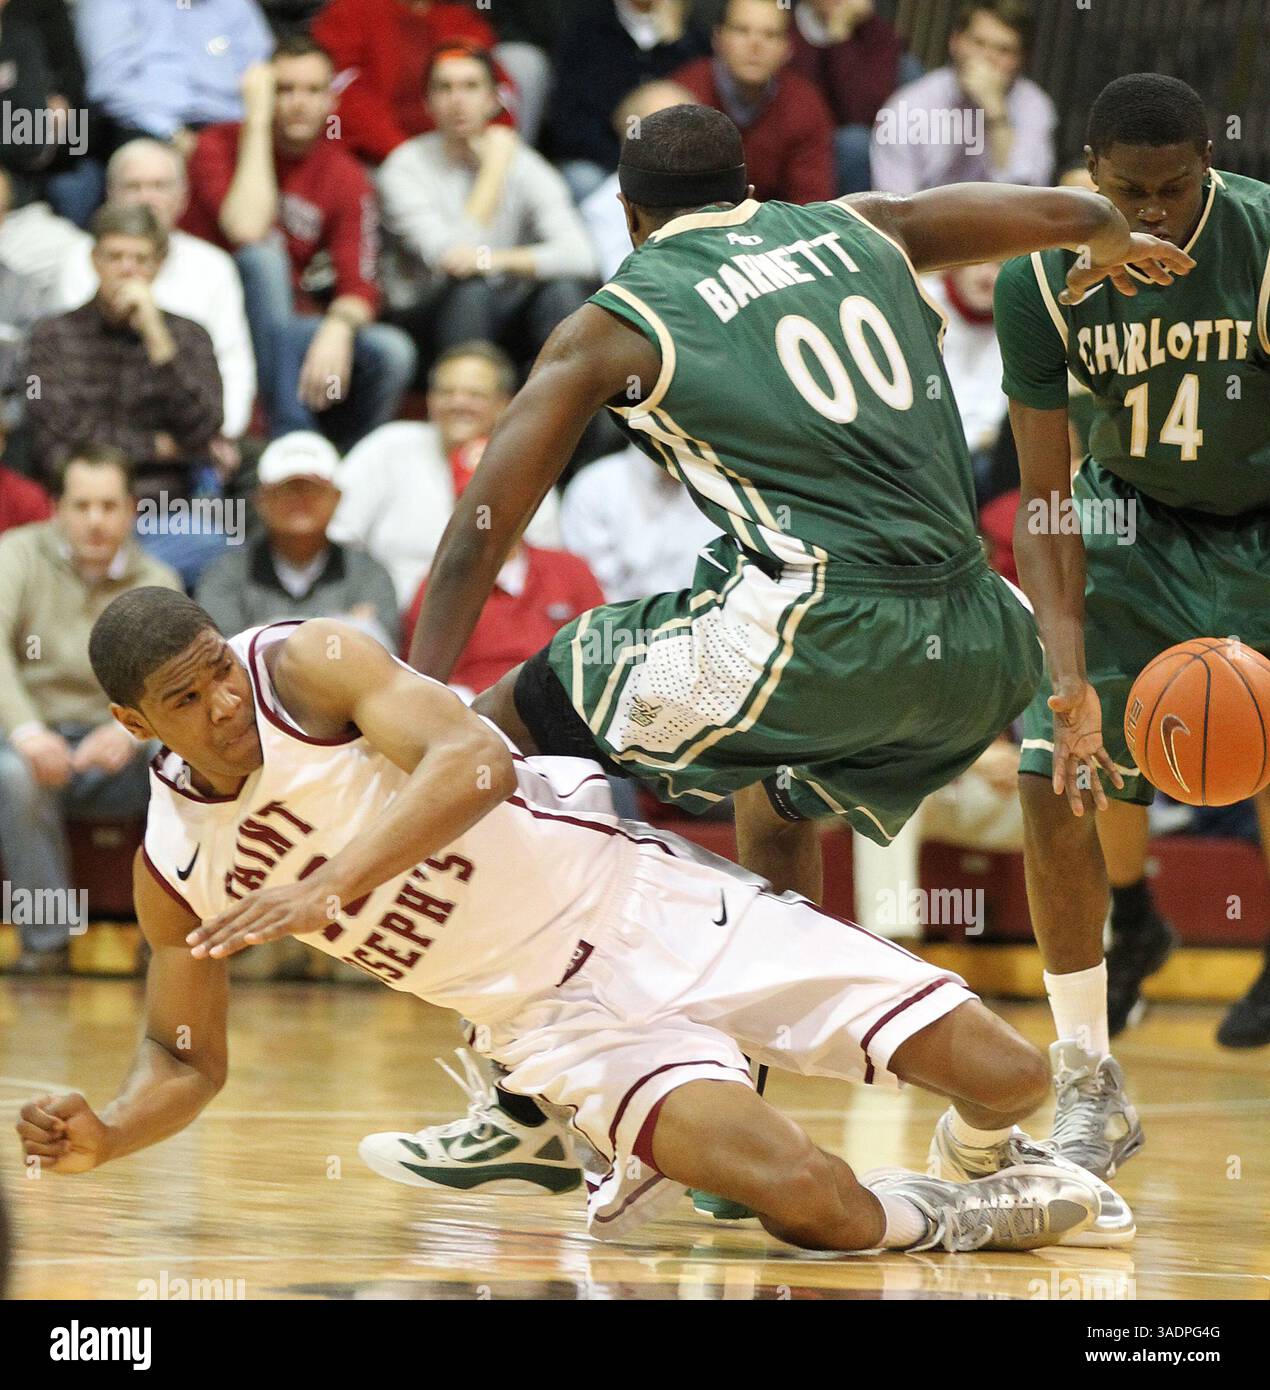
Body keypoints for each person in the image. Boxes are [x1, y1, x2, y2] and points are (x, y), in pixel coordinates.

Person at [399, 103, 1189, 1205]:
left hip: (818, 634)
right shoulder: (859, 225)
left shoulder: (614, 319)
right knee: (777, 801)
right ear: (750, 187)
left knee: (491, 732)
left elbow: (480, 527)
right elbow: (1065, 211)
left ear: (630, 216)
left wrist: (417, 691)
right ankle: (741, 1151)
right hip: (981, 633)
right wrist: (1113, 239)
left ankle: (524, 1099)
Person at [16, 585, 1119, 1259]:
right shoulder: (177, 863)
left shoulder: (305, 665)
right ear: (129, 720)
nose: (220, 703)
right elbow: (182, 1057)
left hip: (642, 900)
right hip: (557, 1025)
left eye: (216, 670)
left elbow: (479, 759)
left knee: (1014, 1076)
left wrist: (331, 881)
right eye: (183, 697)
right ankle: (951, 1216)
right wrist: (110, 1131)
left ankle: (980, 1152)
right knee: (812, 1201)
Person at [995, 73, 1270, 1158]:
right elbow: (1044, 491)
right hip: (1124, 515)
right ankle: (1085, 1076)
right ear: (1088, 171)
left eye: (1173, 188)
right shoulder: (1041, 276)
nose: (1150, 213)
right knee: (1050, 767)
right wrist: (1063, 667)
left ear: (1209, 161)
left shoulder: (1259, 244)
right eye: (1128, 190)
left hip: (1258, 517)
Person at [182, 34, 416, 452]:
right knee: (263, 258)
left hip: (290, 326)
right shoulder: (216, 145)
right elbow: (248, 230)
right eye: (284, 89)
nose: (298, 103)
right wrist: (255, 122)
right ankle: (287, 439)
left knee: (391, 350)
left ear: (331, 101)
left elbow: (360, 285)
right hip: (212, 313)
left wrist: (339, 328)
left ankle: (347, 463)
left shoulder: (345, 175)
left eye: (312, 91)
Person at [0, 449, 180, 974]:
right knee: (12, 777)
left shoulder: (159, 579)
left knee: (177, 765)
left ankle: (165, 941)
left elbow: (170, 682)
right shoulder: (15, 555)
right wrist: (29, 733)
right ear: (56, 508)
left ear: (130, 510)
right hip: (30, 737)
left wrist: (127, 732)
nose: (95, 520)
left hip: (119, 742)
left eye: (108, 505)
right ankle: (48, 943)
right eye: (81, 505)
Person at [377, 44, 596, 370]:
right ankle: (465, 393)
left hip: (503, 307)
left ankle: (563, 410)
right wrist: (492, 171)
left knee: (562, 291)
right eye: (445, 88)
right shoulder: (405, 167)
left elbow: (583, 258)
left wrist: (492, 261)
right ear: (428, 102)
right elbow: (454, 260)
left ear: (493, 99)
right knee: (471, 289)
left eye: (470, 86)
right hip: (424, 314)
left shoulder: (522, 164)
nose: (457, 100)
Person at [56, 140, 257, 460]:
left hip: (193, 440)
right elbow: (70, 375)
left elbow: (232, 359)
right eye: (133, 186)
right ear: (111, 194)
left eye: (159, 186)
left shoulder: (214, 266)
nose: (146, 198)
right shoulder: (80, 258)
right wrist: (156, 448)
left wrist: (222, 434)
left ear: (183, 196)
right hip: (101, 450)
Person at [330, 343, 560, 609]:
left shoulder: (528, 469)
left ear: (504, 404)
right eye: (447, 392)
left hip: (490, 624)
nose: (458, 403)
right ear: (429, 399)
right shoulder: (388, 446)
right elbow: (338, 535)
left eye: (475, 394)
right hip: (389, 621)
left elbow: (546, 564)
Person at [25, 205, 223, 506]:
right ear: (94, 260)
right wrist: (155, 447)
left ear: (159, 264)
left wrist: (157, 338)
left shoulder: (189, 336)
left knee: (210, 538)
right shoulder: (52, 336)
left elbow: (203, 428)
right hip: (78, 505)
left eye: (140, 259)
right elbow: (50, 434)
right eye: (115, 257)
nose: (127, 269)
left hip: (165, 508)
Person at [196, 433, 399, 651]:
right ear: (260, 500)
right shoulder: (225, 574)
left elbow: (380, 660)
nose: (299, 499)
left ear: (337, 498)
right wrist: (345, 628)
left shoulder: (369, 574)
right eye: (286, 489)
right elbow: (225, 660)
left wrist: (263, 638)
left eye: (312, 489)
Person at [870, 1, 1055, 195]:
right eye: (978, 43)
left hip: (1001, 223)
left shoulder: (1034, 106)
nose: (987, 57)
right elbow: (892, 205)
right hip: (923, 222)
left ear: (1021, 59)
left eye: (1004, 50)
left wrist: (995, 112)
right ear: (955, 42)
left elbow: (1026, 198)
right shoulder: (907, 107)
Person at [311, 0, 524, 163]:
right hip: (376, 159)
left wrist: (491, 146)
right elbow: (345, 100)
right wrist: (408, 157)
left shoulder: (461, 20)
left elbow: (498, 92)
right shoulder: (351, 11)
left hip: (457, 157)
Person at [672, 0, 835, 205]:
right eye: (742, 31)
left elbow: (811, 206)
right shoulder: (683, 95)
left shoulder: (804, 105)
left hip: (776, 231)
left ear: (787, 47)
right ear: (718, 37)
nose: (755, 45)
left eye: (770, 35)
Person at [550, 0, 711, 203]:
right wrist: (627, 161)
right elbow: (568, 119)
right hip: (601, 161)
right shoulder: (586, 27)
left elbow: (700, 100)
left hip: (673, 166)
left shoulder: (690, 32)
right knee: (582, 179)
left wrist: (676, 43)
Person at [75, 0, 273, 156]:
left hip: (227, 129)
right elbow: (109, 86)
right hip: (146, 127)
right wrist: (172, 134)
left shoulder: (236, 5)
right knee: (145, 166)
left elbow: (259, 73)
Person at [560, 442, 720, 601]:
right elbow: (588, 580)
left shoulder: (715, 492)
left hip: (696, 617)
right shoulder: (596, 485)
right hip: (612, 619)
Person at [581, 81, 701, 284]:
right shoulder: (602, 207)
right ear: (630, 137)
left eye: (682, 126)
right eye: (657, 128)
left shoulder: (717, 192)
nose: (672, 141)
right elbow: (623, 280)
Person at [787, 0, 907, 195]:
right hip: (792, 129)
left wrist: (840, 37)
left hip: (838, 140)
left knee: (856, 142)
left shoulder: (879, 36)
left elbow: (864, 116)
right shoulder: (779, 21)